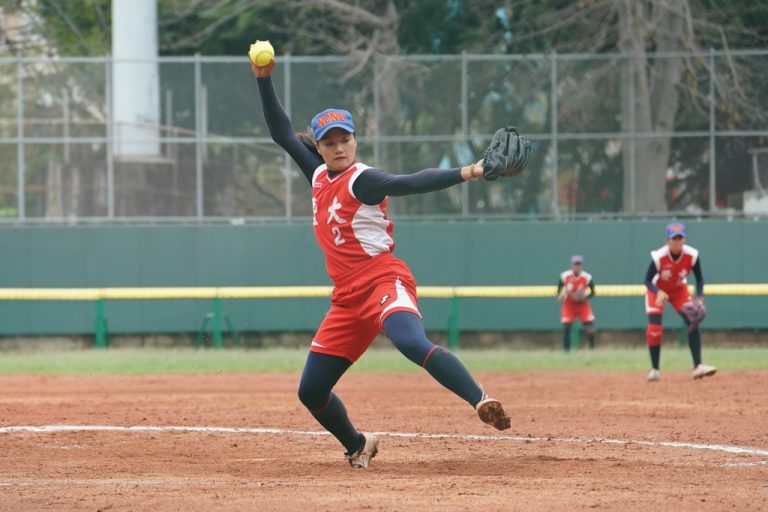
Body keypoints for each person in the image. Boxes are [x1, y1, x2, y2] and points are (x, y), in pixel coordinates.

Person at [250, 51, 512, 469]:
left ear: (355, 140)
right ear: (320, 147)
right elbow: (282, 132)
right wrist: (263, 78)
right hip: (347, 298)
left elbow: (411, 181)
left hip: (382, 280)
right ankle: (358, 445)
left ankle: (481, 400)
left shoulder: (363, 179)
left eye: (345, 139)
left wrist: (472, 171)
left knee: (410, 342)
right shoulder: (318, 175)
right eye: (329, 142)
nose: (338, 147)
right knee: (311, 391)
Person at [643, 222, 717, 382]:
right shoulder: (659, 257)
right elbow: (647, 280)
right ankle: (655, 370)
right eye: (673, 239)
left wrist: (700, 297)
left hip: (678, 289)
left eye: (680, 238)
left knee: (693, 320)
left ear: (684, 239)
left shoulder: (692, 255)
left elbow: (699, 279)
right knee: (655, 329)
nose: (677, 242)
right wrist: (658, 292)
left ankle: (698, 366)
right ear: (667, 241)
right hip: (657, 290)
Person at [556, 255, 596, 351]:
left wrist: (584, 297)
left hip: (582, 304)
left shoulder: (587, 277)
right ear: (572, 266)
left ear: (582, 266)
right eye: (575, 265)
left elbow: (593, 292)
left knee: (590, 329)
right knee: (567, 327)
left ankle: (592, 349)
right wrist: (561, 296)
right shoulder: (565, 276)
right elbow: (559, 291)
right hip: (569, 304)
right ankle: (566, 352)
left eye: (579, 265)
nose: (577, 267)